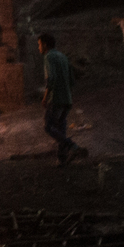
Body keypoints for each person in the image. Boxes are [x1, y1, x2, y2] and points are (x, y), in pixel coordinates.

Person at [37, 33, 81, 165]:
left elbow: (51, 79)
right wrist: (66, 93)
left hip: (55, 98)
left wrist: (45, 97)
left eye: (39, 44)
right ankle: (62, 159)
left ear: (45, 44)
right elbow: (72, 80)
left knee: (48, 127)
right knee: (60, 128)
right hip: (67, 98)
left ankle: (73, 146)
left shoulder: (49, 57)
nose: (38, 47)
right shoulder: (62, 56)